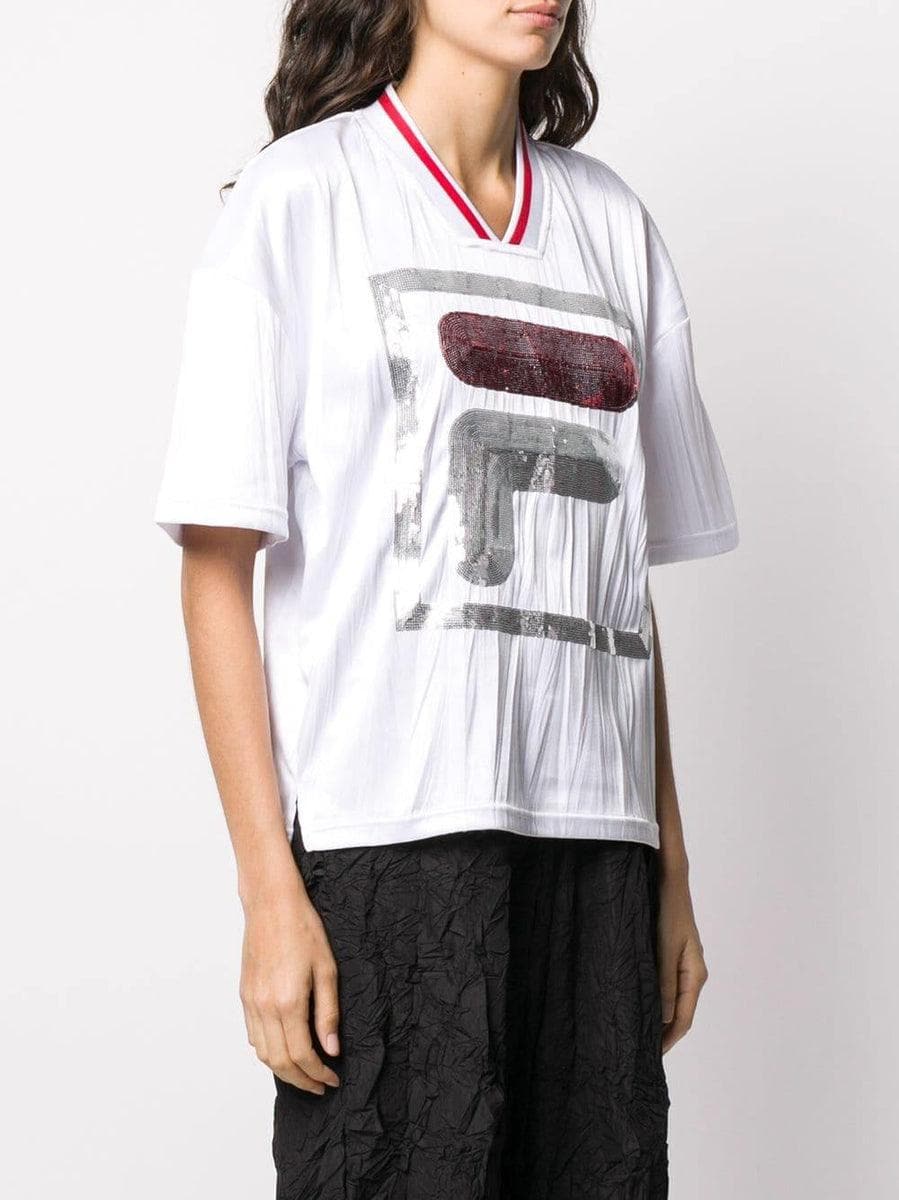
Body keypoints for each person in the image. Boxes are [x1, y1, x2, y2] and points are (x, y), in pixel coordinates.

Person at [153, 2, 739, 1196]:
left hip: (595, 848)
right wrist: (269, 890)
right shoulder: (303, 197)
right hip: (386, 841)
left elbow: (617, 586)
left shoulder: (611, 224)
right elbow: (216, 564)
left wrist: (669, 868)